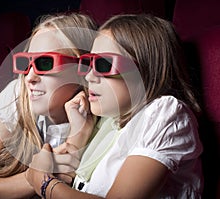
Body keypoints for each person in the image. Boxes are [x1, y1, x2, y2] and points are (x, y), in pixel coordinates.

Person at [25, 14, 203, 199]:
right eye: (88, 63)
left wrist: (43, 182)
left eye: (104, 64)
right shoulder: (109, 121)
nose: (89, 77)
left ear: (145, 70)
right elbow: (77, 182)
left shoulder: (165, 113)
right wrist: (78, 134)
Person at [0, 13, 98, 198]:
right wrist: (33, 177)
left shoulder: (106, 118)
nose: (29, 77)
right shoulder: (18, 94)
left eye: (45, 63)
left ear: (82, 68)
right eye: (25, 63)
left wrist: (76, 139)